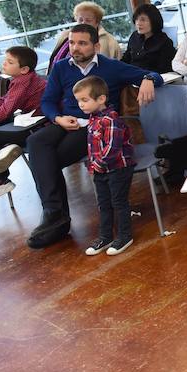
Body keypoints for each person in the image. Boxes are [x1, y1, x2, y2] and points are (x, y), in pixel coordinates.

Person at [26, 24, 163, 248]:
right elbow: (48, 101)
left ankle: (55, 217)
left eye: (82, 43)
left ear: (96, 46)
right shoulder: (61, 67)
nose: (75, 48)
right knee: (35, 141)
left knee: (49, 161)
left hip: (97, 128)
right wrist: (58, 118)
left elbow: (155, 76)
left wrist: (148, 78)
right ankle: (54, 214)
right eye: (72, 43)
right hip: (66, 121)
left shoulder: (111, 67)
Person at [73, 76, 135, 256]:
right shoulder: (92, 119)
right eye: (78, 101)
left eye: (85, 100)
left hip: (118, 168)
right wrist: (93, 165)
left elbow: (112, 148)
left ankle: (124, 236)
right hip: (100, 169)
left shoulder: (111, 120)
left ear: (101, 99)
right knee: (103, 204)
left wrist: (98, 164)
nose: (81, 105)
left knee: (119, 202)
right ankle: (105, 236)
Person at [0, 46, 46, 198]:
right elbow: (6, 101)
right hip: (32, 121)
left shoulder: (22, 83)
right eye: (5, 60)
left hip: (37, 126)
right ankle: (5, 151)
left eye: (10, 62)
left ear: (24, 69)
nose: (4, 63)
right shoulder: (24, 79)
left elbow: (4, 113)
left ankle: (0, 181)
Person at [47, 1, 122, 72]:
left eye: (88, 20)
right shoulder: (66, 35)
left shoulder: (106, 41)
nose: (83, 23)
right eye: (80, 20)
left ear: (97, 23)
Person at [121, 3, 176, 74]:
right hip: (132, 76)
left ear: (154, 21)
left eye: (143, 20)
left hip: (151, 77)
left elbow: (165, 70)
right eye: (136, 19)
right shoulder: (134, 36)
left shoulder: (164, 42)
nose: (138, 23)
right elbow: (126, 59)